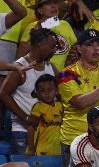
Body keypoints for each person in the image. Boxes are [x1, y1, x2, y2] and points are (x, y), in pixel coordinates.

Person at [58, 29, 99, 154]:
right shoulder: (67, 73)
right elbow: (79, 103)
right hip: (75, 140)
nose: (96, 49)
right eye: (90, 44)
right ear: (79, 48)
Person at [0, 27, 57, 156]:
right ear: (40, 45)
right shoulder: (20, 67)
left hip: (47, 134)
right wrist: (25, 117)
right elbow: (3, 94)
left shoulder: (51, 67)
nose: (55, 50)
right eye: (52, 46)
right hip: (22, 132)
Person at [25, 74, 64, 157]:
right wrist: (31, 149)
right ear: (38, 93)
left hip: (56, 150)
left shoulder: (60, 106)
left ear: (56, 90)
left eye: (50, 90)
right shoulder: (38, 107)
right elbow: (31, 129)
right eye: (42, 91)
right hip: (39, 150)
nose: (47, 94)